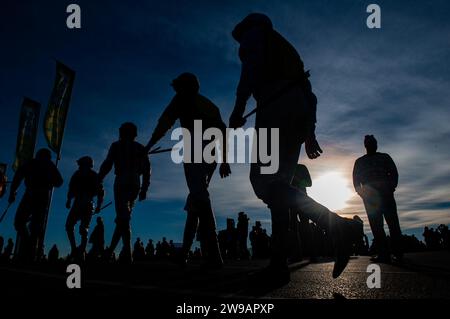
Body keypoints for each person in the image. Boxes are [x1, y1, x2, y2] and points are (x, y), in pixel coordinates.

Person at [228, 13, 360, 285]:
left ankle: (336, 225)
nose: (240, 39)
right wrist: (309, 130)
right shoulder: (287, 49)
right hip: (297, 111)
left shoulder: (256, 35)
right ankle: (279, 263)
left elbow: (249, 72)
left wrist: (238, 110)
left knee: (264, 182)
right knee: (280, 188)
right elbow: (309, 93)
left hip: (274, 107)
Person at [145, 72, 231, 269]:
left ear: (185, 87)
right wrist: (224, 160)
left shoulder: (181, 99)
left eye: (179, 87)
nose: (176, 91)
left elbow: (164, 123)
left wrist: (149, 145)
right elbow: (222, 132)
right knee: (195, 200)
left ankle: (214, 254)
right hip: (211, 155)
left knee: (199, 197)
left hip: (197, 151)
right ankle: (184, 252)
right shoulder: (210, 106)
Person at [99, 122, 151, 263]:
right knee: (123, 218)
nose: (119, 132)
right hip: (135, 183)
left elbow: (108, 163)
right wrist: (144, 188)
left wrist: (100, 178)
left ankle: (127, 253)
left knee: (123, 218)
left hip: (123, 181)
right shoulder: (139, 148)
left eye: (121, 130)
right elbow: (147, 171)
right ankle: (112, 252)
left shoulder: (117, 146)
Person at [353, 135, 402, 262]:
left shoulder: (384, 157)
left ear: (376, 144)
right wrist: (362, 194)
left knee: (393, 224)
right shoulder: (360, 162)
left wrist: (391, 187)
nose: (372, 145)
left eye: (373, 142)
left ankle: (397, 252)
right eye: (369, 143)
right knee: (376, 226)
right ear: (365, 145)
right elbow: (356, 180)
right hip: (370, 199)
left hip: (386, 194)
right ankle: (384, 253)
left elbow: (394, 173)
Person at [8, 148, 63, 262]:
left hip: (35, 195)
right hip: (38, 196)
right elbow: (59, 182)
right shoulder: (46, 165)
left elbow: (18, 176)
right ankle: (29, 249)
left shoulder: (37, 164)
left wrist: (13, 192)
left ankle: (29, 251)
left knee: (25, 223)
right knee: (30, 225)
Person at [65, 156, 104, 262]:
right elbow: (71, 188)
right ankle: (74, 249)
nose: (79, 166)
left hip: (88, 203)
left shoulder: (94, 176)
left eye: (81, 164)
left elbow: (100, 193)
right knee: (69, 225)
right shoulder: (76, 175)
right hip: (77, 202)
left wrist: (99, 206)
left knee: (83, 229)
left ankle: (82, 250)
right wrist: (69, 200)